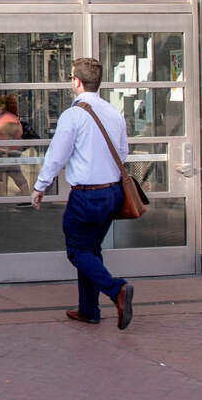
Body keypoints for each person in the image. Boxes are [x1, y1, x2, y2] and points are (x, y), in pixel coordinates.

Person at [31, 58, 136, 330]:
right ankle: (89, 310)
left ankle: (117, 290)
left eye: (70, 77)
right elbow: (123, 152)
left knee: (77, 252)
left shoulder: (73, 115)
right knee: (91, 250)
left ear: (76, 81)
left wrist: (40, 186)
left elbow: (57, 156)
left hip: (86, 196)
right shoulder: (113, 112)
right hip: (112, 193)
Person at [0, 94, 30, 196]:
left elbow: (10, 134)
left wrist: (5, 150)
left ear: (2, 106)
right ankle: (27, 197)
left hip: (2, 154)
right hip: (2, 153)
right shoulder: (4, 117)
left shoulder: (8, 119)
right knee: (16, 175)